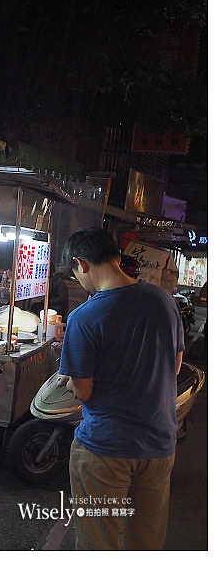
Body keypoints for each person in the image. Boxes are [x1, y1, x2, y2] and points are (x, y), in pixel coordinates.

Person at [56, 227, 184, 550]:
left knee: (99, 544)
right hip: (158, 444)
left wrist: (68, 378)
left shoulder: (84, 317)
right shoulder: (163, 300)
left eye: (75, 273)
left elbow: (82, 391)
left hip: (106, 448)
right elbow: (176, 364)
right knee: (145, 544)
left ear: (81, 264)